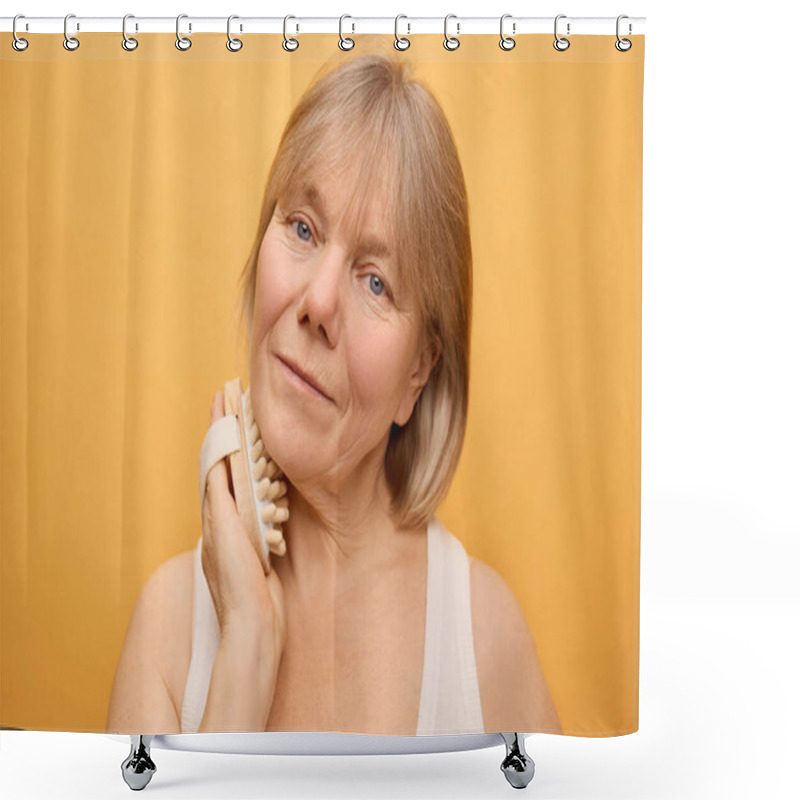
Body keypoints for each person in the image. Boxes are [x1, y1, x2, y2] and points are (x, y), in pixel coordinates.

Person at [107, 52, 560, 737]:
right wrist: (246, 655)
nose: (317, 301)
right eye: (302, 229)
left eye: (375, 281)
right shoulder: (165, 633)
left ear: (419, 372)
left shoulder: (488, 642)